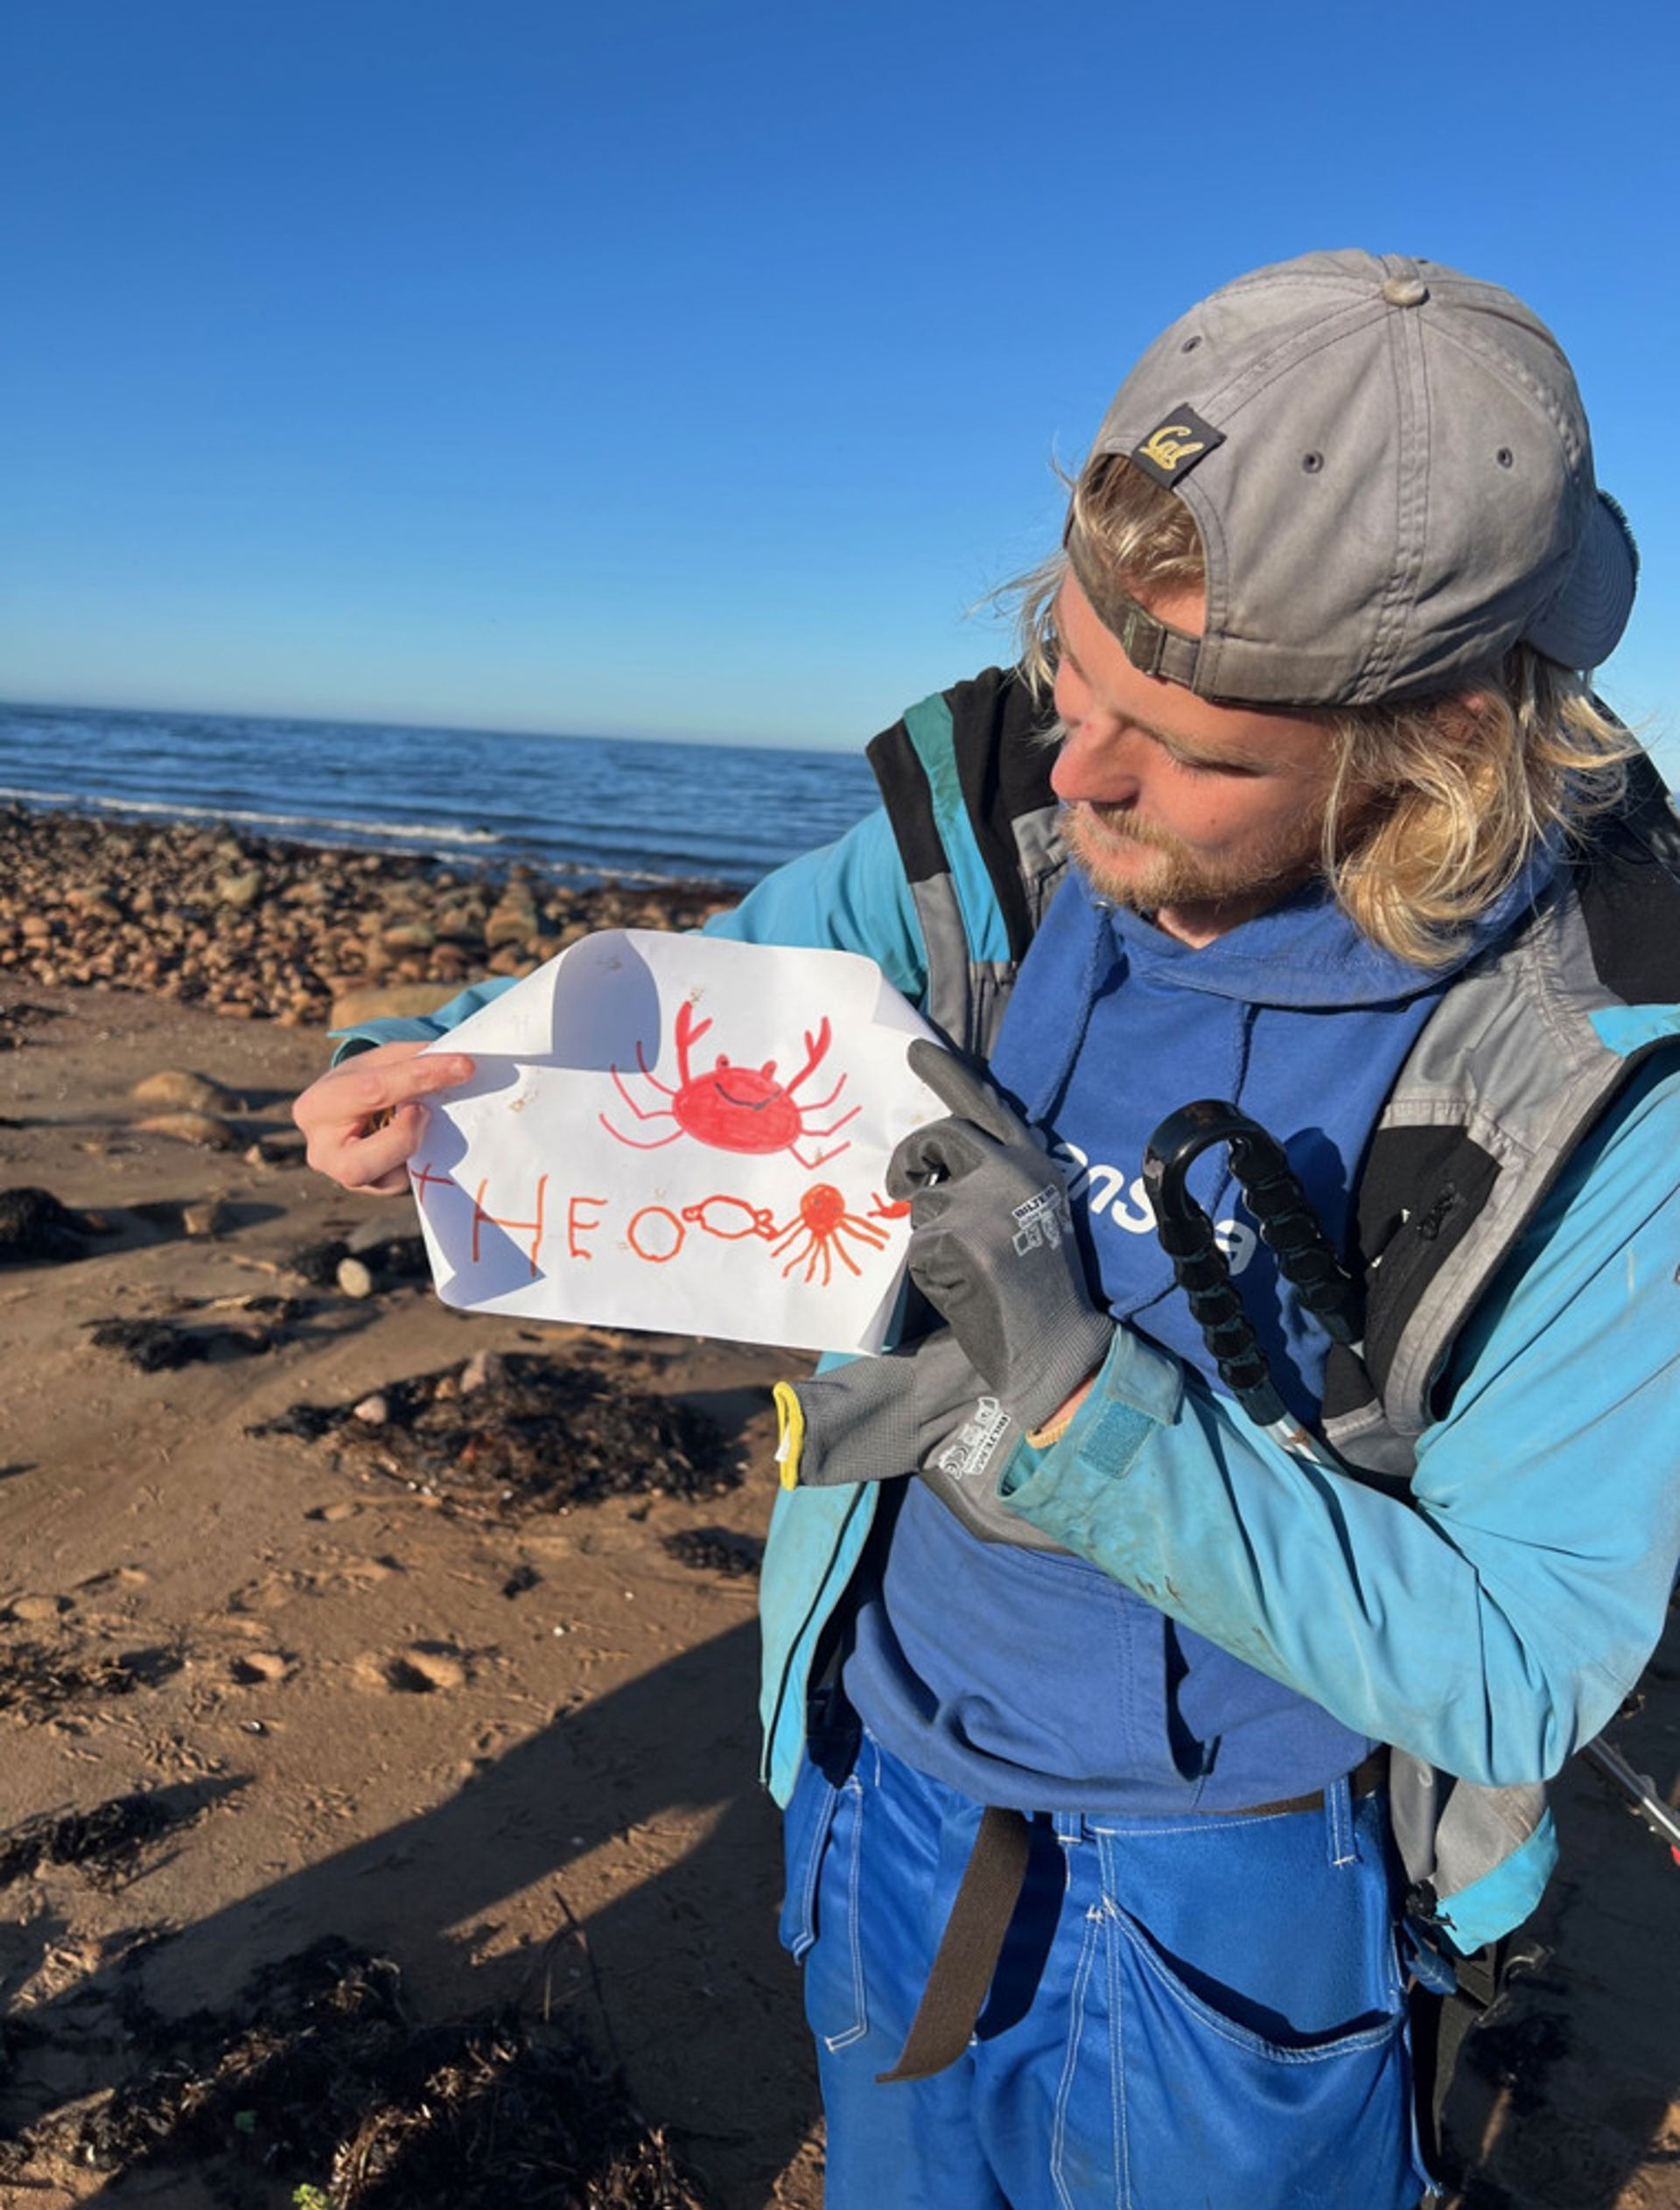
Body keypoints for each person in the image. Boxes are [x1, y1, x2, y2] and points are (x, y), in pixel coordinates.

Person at [293, 249, 1680, 2209]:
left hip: (1248, 1854)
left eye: (1195, 753)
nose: (1091, 776)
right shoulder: (1007, 826)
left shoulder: (1599, 1076)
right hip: (887, 1765)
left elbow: (1513, 1663)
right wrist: (439, 1058)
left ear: (1438, 732)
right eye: (1073, 680)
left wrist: (1076, 1404)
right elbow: (716, 992)